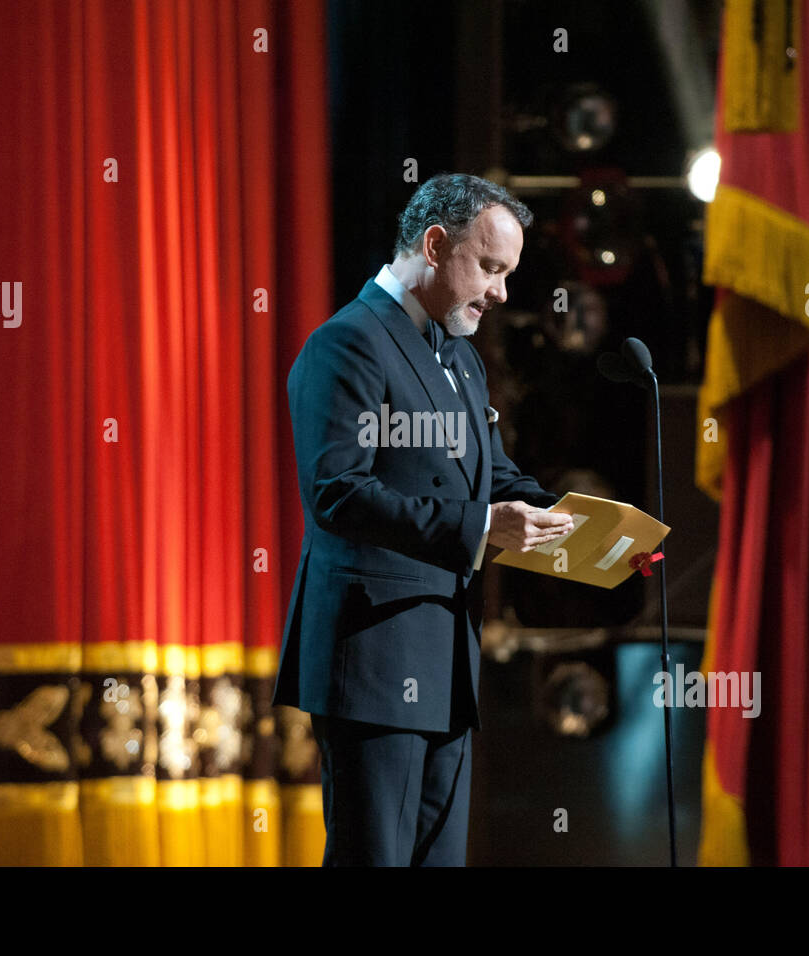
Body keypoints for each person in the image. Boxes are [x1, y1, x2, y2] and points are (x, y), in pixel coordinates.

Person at [271, 172, 573, 866]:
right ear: (436, 245)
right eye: (490, 268)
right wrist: (478, 528)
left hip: (445, 662)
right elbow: (337, 492)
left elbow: (492, 476)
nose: (501, 293)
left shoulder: (460, 359)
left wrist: (581, 521)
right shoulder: (346, 343)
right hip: (374, 658)